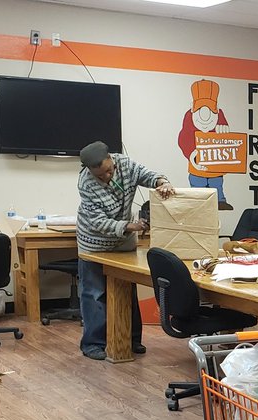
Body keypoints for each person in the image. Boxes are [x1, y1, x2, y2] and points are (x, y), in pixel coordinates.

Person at [76, 141, 175, 360]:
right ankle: (93, 343)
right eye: (100, 175)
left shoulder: (126, 165)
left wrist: (162, 182)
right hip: (95, 244)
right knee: (94, 293)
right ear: (89, 171)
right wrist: (132, 226)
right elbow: (98, 222)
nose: (107, 177)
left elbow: (147, 175)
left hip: (123, 243)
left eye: (109, 171)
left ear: (112, 159)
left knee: (126, 289)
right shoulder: (86, 183)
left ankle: (131, 339)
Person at [177, 79, 234, 210]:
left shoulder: (220, 115)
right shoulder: (189, 117)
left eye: (211, 110)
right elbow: (183, 139)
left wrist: (224, 130)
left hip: (215, 168)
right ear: (192, 107)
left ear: (217, 108)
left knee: (217, 184)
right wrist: (193, 155)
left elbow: (227, 139)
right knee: (198, 184)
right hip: (197, 166)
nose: (205, 117)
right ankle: (198, 202)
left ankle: (220, 200)